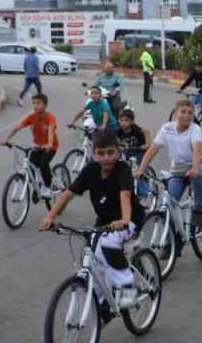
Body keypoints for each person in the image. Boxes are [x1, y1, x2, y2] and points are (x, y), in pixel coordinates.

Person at [38, 129, 142, 313]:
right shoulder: (90, 170)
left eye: (111, 152)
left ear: (118, 151)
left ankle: (128, 287)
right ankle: (102, 299)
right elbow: (67, 194)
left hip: (130, 218)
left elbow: (125, 195)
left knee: (108, 244)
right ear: (93, 152)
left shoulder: (123, 169)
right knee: (92, 255)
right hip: (104, 221)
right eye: (101, 153)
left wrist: (124, 220)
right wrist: (50, 217)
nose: (106, 158)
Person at [135, 99, 202, 228]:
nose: (187, 115)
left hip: (200, 165)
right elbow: (153, 150)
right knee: (168, 206)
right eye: (183, 112)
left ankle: (199, 209)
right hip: (177, 170)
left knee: (198, 176)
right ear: (176, 113)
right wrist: (141, 169)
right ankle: (170, 242)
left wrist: (194, 168)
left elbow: (197, 151)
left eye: (190, 113)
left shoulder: (195, 129)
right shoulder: (167, 128)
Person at [0, 93, 59, 188]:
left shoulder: (50, 117)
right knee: (30, 167)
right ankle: (37, 188)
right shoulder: (32, 117)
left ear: (45, 105)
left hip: (51, 146)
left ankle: (48, 187)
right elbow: (17, 127)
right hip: (38, 146)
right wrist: (6, 139)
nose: (35, 105)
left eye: (38, 103)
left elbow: (51, 131)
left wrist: (49, 144)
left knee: (43, 164)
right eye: (34, 103)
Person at [115, 108, 152, 197]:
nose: (123, 123)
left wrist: (147, 144)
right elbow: (114, 140)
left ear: (132, 121)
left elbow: (147, 132)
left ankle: (143, 190)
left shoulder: (137, 130)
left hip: (139, 150)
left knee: (141, 168)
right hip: (128, 150)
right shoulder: (119, 130)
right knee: (118, 163)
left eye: (126, 120)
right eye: (121, 120)